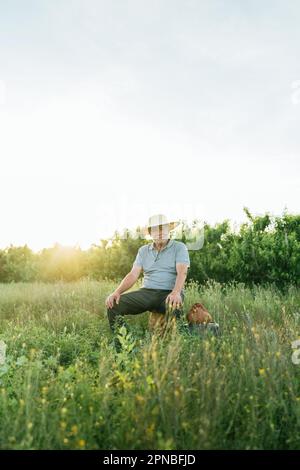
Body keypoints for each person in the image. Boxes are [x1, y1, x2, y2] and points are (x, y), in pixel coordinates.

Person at [105, 214, 190, 352]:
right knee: (113, 305)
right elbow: (133, 274)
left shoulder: (179, 247)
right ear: (151, 233)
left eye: (164, 228)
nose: (161, 232)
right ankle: (125, 347)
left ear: (169, 230)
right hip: (147, 293)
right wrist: (117, 292)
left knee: (174, 307)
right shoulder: (143, 251)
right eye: (156, 229)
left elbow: (182, 272)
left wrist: (176, 292)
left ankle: (181, 346)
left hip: (169, 293)